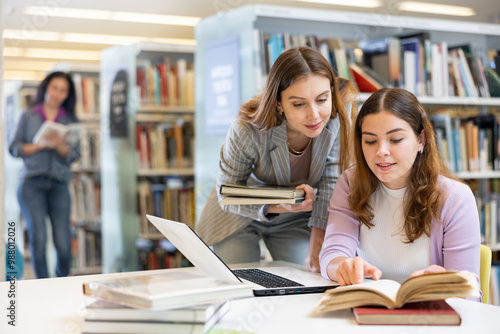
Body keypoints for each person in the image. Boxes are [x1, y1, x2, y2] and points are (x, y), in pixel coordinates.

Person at [196, 46, 357, 272]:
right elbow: (227, 193)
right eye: (299, 104)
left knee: (304, 281)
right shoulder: (246, 129)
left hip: (296, 219)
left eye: (321, 99)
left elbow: (332, 182)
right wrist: (277, 206)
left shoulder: (337, 116)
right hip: (239, 216)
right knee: (242, 285)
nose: (314, 115)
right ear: (279, 103)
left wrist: (318, 244)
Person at [320, 88, 481, 297]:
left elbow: (470, 296)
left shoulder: (455, 198)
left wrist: (446, 284)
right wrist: (342, 266)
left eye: (395, 139)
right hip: (367, 317)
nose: (381, 151)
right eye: (370, 141)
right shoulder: (350, 184)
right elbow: (332, 255)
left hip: (428, 322)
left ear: (421, 140)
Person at [9, 71, 80, 279]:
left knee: (63, 242)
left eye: (63, 90)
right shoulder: (29, 115)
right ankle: (43, 285)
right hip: (32, 184)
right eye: (54, 88)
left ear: (68, 95)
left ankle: (62, 282)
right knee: (38, 239)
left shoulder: (70, 121)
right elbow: (14, 149)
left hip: (59, 185)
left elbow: (74, 155)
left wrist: (60, 146)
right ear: (46, 88)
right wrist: (38, 145)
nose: (57, 94)